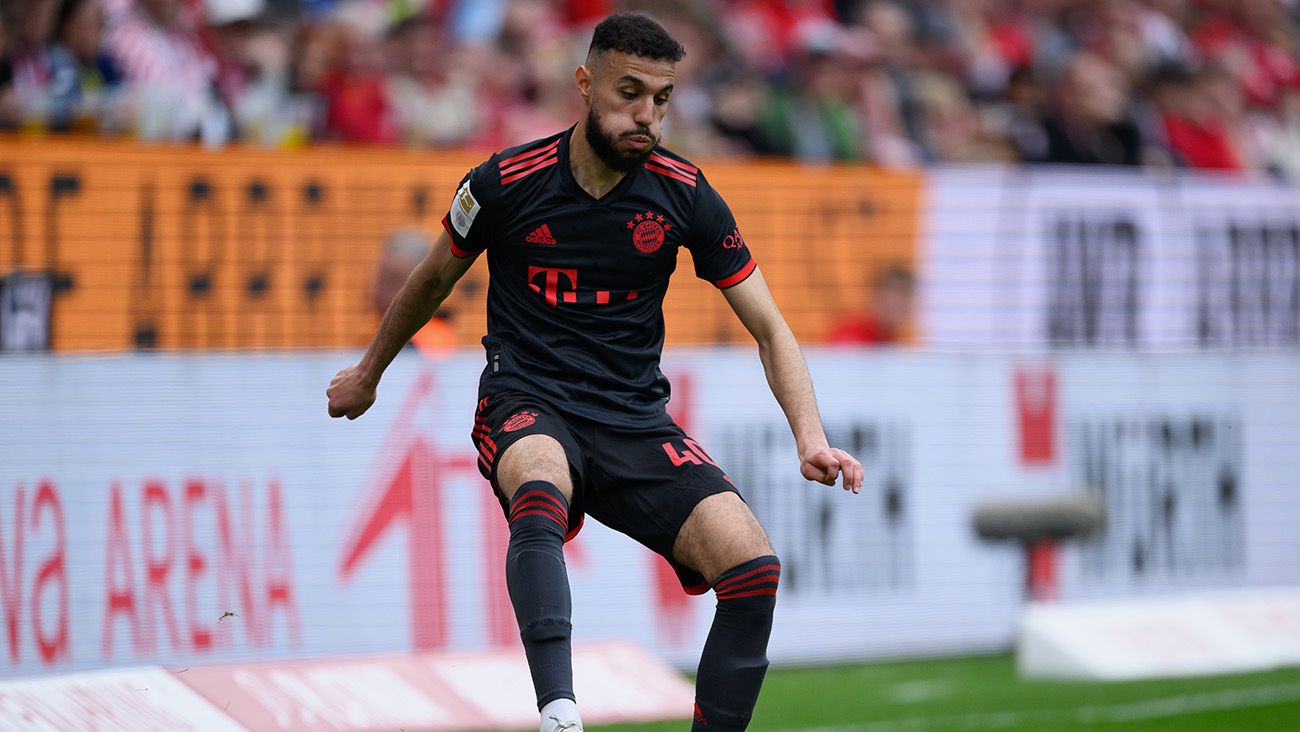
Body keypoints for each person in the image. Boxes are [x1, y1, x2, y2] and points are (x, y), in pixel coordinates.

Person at [326, 13, 863, 732]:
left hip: (634, 420)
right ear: (586, 84)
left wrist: (809, 437)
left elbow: (770, 326)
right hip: (528, 399)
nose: (647, 115)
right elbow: (429, 280)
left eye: (663, 99)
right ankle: (559, 714)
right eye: (630, 92)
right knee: (539, 487)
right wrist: (369, 373)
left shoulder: (685, 194)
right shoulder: (505, 182)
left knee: (752, 566)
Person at [827, 263, 914, 345]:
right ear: (877, 297)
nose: (901, 303)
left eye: (905, 295)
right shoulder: (853, 335)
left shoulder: (887, 338)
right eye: (897, 294)